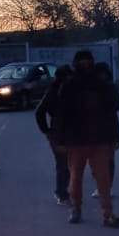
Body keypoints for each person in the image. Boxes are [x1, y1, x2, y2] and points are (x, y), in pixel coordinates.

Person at [53, 49, 119, 227]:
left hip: (95, 139)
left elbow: (112, 110)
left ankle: (104, 213)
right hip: (81, 141)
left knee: (101, 179)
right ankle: (80, 209)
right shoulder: (73, 86)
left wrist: (115, 136)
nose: (85, 64)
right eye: (82, 61)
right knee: (79, 178)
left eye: (87, 61)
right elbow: (61, 114)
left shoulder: (98, 85)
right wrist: (59, 139)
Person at [33, 64, 73, 205]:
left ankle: (66, 192)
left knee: (69, 165)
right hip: (58, 132)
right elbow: (39, 113)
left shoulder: (72, 91)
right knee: (63, 165)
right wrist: (47, 130)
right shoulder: (53, 92)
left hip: (69, 131)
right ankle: (62, 193)